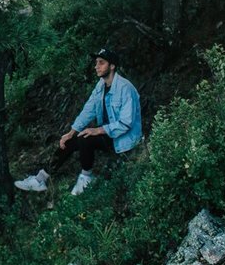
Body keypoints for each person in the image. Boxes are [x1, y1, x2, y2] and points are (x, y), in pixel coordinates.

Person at [15, 46, 142, 196]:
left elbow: (126, 123)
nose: (96, 66)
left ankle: (86, 179)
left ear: (112, 66)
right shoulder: (101, 86)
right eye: (96, 63)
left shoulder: (126, 88)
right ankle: (40, 179)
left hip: (123, 139)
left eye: (101, 63)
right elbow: (88, 110)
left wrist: (97, 130)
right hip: (109, 134)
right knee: (69, 141)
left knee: (86, 138)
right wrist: (71, 133)